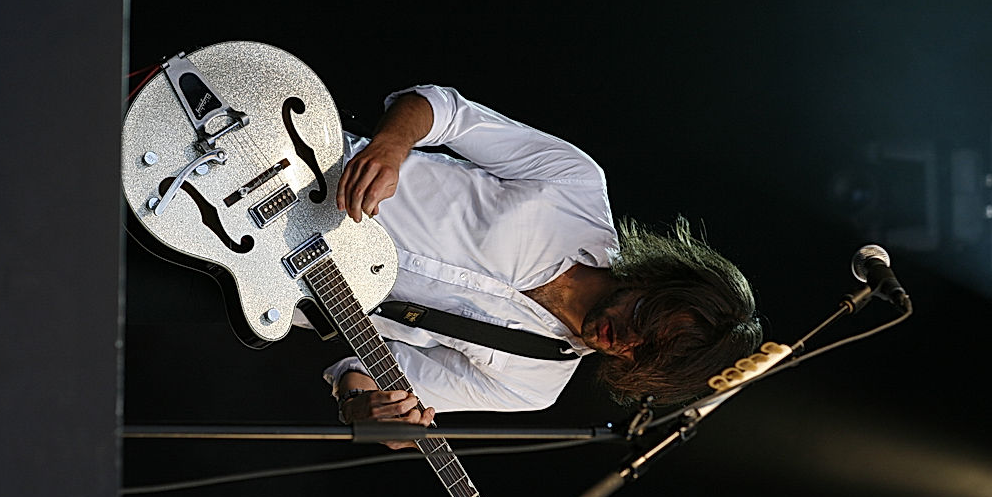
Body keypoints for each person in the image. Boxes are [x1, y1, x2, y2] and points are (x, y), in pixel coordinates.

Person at [303, 84, 762, 443]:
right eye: (644, 318)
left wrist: (365, 407)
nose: (625, 340)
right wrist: (391, 145)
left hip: (280, 281)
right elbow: (446, 111)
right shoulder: (577, 186)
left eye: (643, 354)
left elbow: (368, 373)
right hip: (304, 165)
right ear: (660, 279)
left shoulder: (532, 385)